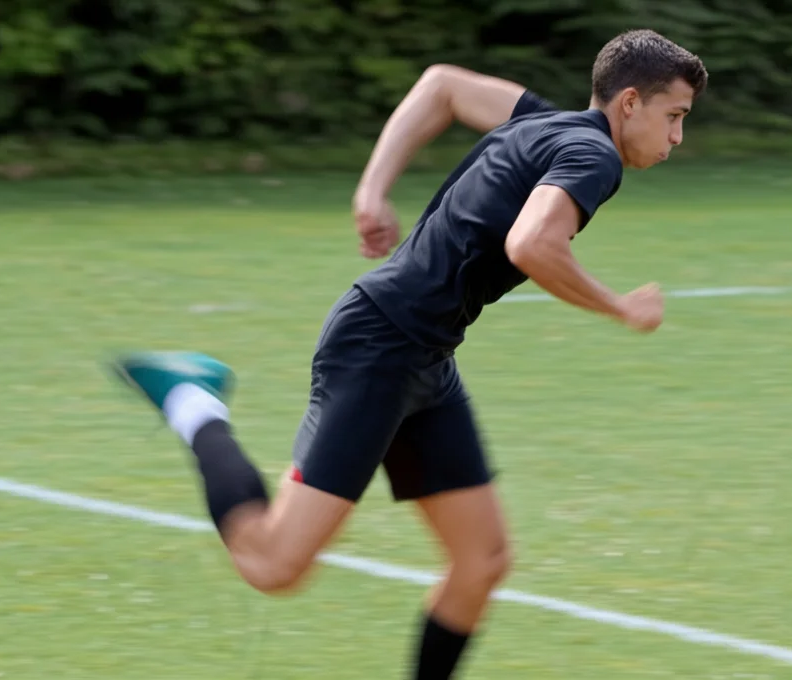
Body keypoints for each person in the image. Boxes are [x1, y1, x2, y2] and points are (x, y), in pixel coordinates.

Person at [111, 28, 707, 680]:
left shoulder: (540, 121)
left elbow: (442, 86)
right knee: (272, 564)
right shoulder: (593, 156)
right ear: (629, 102)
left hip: (423, 357)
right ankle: (192, 400)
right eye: (673, 116)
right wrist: (618, 306)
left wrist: (372, 189)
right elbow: (532, 243)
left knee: (481, 560)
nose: (678, 136)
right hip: (379, 348)